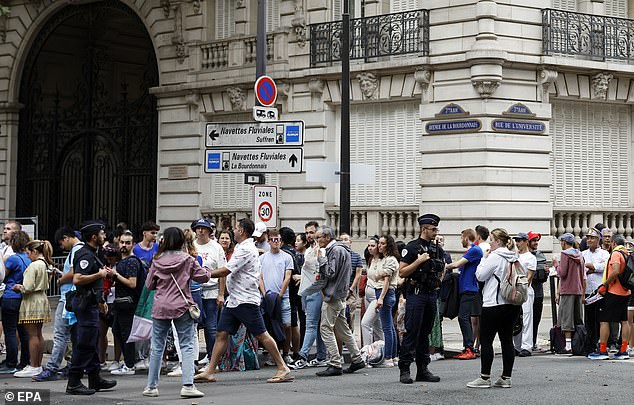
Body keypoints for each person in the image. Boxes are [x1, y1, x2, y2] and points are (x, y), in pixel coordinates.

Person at [194, 218, 293, 383]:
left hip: (245, 300)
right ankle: (210, 370)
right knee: (221, 333)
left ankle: (282, 367)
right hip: (234, 300)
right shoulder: (242, 246)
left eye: (236, 227)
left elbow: (226, 270)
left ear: (242, 231)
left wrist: (204, 274)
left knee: (262, 334)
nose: (233, 230)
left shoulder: (245, 249)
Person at [142, 227, 210, 398]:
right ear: (181, 241)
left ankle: (151, 387)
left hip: (161, 306)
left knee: (157, 347)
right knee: (186, 345)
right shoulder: (187, 260)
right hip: (182, 306)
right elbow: (203, 277)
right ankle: (188, 385)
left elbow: (149, 285)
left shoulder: (156, 260)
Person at [66, 221, 117, 395]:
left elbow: (95, 283)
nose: (105, 236)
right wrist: (100, 274)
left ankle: (95, 378)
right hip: (85, 305)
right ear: (94, 237)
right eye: (102, 234)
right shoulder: (85, 255)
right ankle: (74, 381)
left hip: (92, 304)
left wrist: (101, 301)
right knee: (85, 344)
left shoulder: (94, 253)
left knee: (92, 342)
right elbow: (77, 279)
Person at [467, 228, 521, 389]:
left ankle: (485, 377)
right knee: (506, 340)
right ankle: (506, 377)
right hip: (512, 303)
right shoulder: (514, 256)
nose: (489, 242)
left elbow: (480, 275)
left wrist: (484, 258)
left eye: (491, 239)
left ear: (498, 242)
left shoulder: (494, 257)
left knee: (486, 341)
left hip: (494, 303)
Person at [33, 227, 84, 382]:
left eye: (62, 243)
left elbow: (75, 272)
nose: (62, 247)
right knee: (73, 335)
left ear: (67, 237)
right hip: (73, 296)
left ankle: (52, 368)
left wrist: (61, 279)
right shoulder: (80, 250)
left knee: (60, 334)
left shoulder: (76, 250)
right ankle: (73, 365)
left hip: (68, 297)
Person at [398, 214, 443, 384]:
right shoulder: (412, 247)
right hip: (416, 293)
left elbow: (442, 266)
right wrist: (418, 262)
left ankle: (423, 369)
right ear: (424, 229)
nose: (435, 232)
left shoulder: (435, 248)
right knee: (412, 331)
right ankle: (405, 369)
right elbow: (402, 272)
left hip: (431, 293)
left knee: (425, 333)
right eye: (433, 229)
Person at [314, 226, 365, 377]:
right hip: (340, 294)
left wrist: (320, 258)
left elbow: (330, 272)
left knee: (325, 328)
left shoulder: (335, 250)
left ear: (327, 237)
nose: (317, 241)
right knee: (343, 329)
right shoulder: (342, 249)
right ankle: (357, 358)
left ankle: (335, 363)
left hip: (334, 295)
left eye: (319, 237)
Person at [288, 222, 327, 370]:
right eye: (307, 232)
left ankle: (303, 356)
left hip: (316, 292)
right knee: (316, 325)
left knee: (311, 324)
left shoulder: (321, 251)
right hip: (308, 292)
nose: (309, 235)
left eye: (311, 232)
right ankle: (322, 356)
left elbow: (320, 272)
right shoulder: (310, 250)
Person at [11, 240, 53, 377]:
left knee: (32, 335)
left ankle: (33, 365)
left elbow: (27, 287)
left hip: (32, 301)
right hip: (41, 298)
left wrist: (18, 287)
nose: (28, 256)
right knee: (38, 334)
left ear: (35, 252)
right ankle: (37, 364)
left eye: (28, 253)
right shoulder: (45, 264)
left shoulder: (34, 266)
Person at [588, 234, 631, 360]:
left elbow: (616, 270)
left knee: (604, 320)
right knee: (624, 321)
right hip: (626, 292)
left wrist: (605, 285)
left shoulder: (616, 253)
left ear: (613, 243)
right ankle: (623, 350)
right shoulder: (627, 254)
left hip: (614, 292)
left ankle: (602, 351)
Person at [192, 218, 226, 367]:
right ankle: (198, 357)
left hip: (210, 290)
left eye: (203, 228)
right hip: (194, 290)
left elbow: (223, 272)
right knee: (194, 326)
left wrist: (221, 293)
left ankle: (213, 357)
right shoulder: (192, 246)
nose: (200, 231)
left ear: (209, 231)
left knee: (211, 325)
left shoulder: (216, 247)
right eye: (198, 228)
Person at [445, 229, 483, 360]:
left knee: (463, 317)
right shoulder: (471, 251)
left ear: (466, 238)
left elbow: (456, 264)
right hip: (466, 289)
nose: (461, 240)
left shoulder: (474, 250)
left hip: (469, 289)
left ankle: (469, 348)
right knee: (463, 317)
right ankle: (468, 346)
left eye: (461, 237)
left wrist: (444, 266)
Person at [258, 229, 294, 362]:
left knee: (287, 325)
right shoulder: (262, 258)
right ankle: (276, 354)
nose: (275, 242)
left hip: (282, 297)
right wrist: (264, 293)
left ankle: (286, 353)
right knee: (271, 325)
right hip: (267, 297)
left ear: (281, 241)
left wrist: (280, 293)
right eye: (272, 240)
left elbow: (288, 277)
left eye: (277, 240)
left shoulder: (287, 257)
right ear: (269, 242)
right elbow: (260, 278)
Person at [109, 230, 141, 376]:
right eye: (122, 242)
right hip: (121, 303)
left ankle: (129, 365)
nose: (124, 245)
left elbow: (132, 283)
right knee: (117, 330)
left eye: (127, 243)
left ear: (133, 244)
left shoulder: (132, 262)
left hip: (128, 303)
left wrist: (115, 275)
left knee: (126, 333)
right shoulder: (122, 261)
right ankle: (128, 362)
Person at [0, 230, 31, 374]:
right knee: (23, 332)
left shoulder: (13, 259)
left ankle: (11, 362)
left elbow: (2, 276)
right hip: (23, 298)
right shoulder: (28, 258)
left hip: (11, 296)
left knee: (10, 331)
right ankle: (25, 361)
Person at [132, 220, 160, 370]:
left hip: (155, 289)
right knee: (141, 320)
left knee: (153, 322)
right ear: (144, 233)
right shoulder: (136, 249)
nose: (154, 236)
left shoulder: (157, 247)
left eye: (156, 233)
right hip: (142, 288)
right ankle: (139, 356)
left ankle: (150, 355)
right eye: (152, 233)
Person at [553, 233, 585, 355]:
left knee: (566, 318)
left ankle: (568, 346)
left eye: (561, 241)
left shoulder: (565, 254)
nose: (561, 243)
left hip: (567, 290)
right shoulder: (580, 255)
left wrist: (556, 264)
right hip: (578, 289)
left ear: (564, 242)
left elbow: (562, 273)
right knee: (578, 318)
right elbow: (582, 274)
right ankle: (580, 344)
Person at [372, 235, 400, 367]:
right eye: (379, 243)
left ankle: (388, 357)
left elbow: (386, 280)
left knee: (387, 327)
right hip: (386, 293)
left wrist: (381, 298)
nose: (379, 246)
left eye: (382, 244)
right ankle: (393, 356)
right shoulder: (385, 259)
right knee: (389, 327)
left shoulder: (391, 260)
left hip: (386, 293)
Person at [581, 228, 609, 351]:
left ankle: (601, 342)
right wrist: (592, 268)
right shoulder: (583, 254)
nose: (589, 240)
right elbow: (582, 269)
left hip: (600, 291)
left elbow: (604, 267)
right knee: (589, 319)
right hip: (588, 291)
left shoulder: (605, 254)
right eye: (588, 237)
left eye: (592, 238)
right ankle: (590, 345)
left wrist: (591, 267)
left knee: (601, 319)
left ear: (598, 239)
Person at [512, 233, 537, 357]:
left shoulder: (530, 257)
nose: (517, 243)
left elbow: (530, 276)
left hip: (525, 290)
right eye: (516, 241)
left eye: (520, 241)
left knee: (526, 318)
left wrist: (521, 287)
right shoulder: (514, 256)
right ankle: (516, 345)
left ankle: (526, 346)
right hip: (514, 290)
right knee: (516, 319)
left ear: (526, 242)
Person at [360, 237, 384, 347]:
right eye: (369, 246)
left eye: (373, 246)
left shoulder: (383, 261)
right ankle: (382, 353)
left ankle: (367, 352)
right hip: (368, 295)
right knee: (377, 326)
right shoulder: (370, 259)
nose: (370, 248)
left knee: (365, 323)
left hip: (376, 296)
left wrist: (381, 298)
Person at [339, 233, 363, 333]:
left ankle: (349, 337)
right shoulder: (337, 256)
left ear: (350, 242)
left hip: (351, 290)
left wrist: (351, 289)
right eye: (341, 240)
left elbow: (358, 275)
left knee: (350, 314)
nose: (344, 242)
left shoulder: (356, 256)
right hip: (338, 290)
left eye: (346, 239)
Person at [527, 231, 547, 351]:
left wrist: (545, 272)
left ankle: (533, 342)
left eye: (537, 241)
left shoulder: (541, 255)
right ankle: (526, 342)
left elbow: (543, 277)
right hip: (528, 292)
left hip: (538, 292)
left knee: (536, 319)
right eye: (533, 240)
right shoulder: (524, 255)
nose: (536, 243)